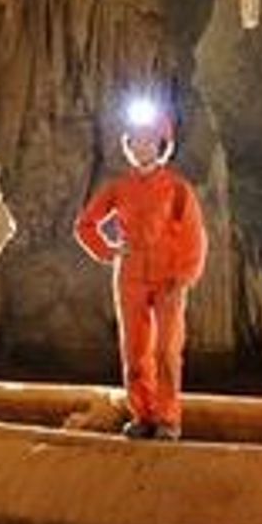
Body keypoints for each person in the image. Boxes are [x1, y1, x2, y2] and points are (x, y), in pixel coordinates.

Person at [75, 92, 207, 439]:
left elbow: (194, 236)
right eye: (136, 141)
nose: (142, 147)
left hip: (168, 278)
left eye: (149, 141)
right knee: (135, 352)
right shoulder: (119, 188)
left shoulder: (177, 189)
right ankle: (143, 415)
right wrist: (108, 250)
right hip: (131, 277)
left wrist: (184, 276)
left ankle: (168, 419)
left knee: (165, 351)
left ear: (162, 145)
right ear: (128, 146)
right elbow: (86, 225)